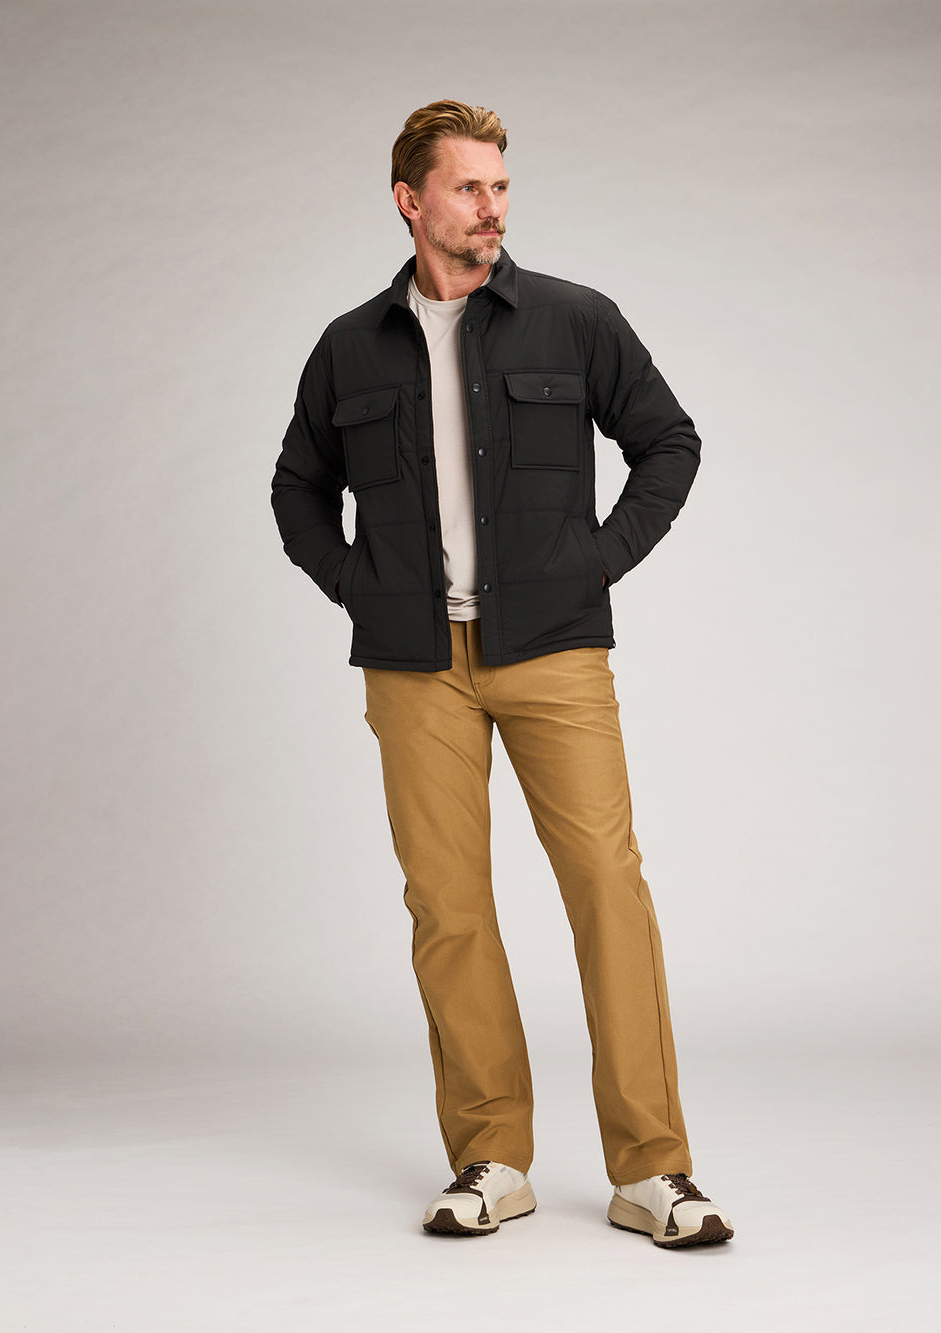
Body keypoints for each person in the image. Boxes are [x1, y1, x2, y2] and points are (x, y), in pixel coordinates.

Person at [271, 99, 734, 1249]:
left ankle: (653, 1170)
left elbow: (668, 441)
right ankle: (492, 1157)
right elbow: (295, 489)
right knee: (448, 907)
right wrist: (360, 584)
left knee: (607, 889)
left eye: (501, 186)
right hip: (415, 668)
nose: (492, 206)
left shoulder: (573, 319)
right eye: (468, 187)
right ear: (410, 200)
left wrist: (596, 560)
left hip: (554, 651)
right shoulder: (349, 345)